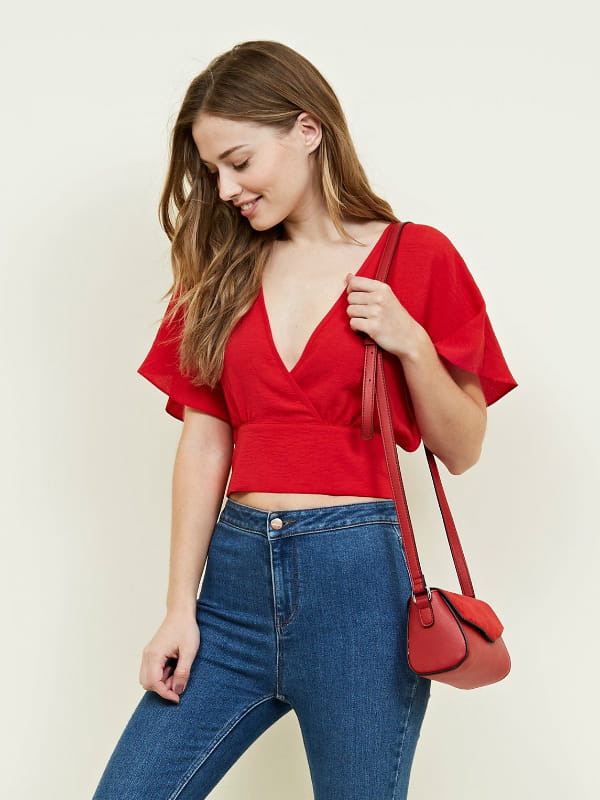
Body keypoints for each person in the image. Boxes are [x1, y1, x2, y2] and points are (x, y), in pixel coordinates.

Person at [92, 39, 518, 800]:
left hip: (360, 592)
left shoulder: (416, 257)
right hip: (232, 589)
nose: (226, 188)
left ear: (307, 130)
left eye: (239, 161)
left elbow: (464, 447)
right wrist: (179, 608)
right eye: (212, 171)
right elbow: (204, 444)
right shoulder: (221, 274)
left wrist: (412, 344)